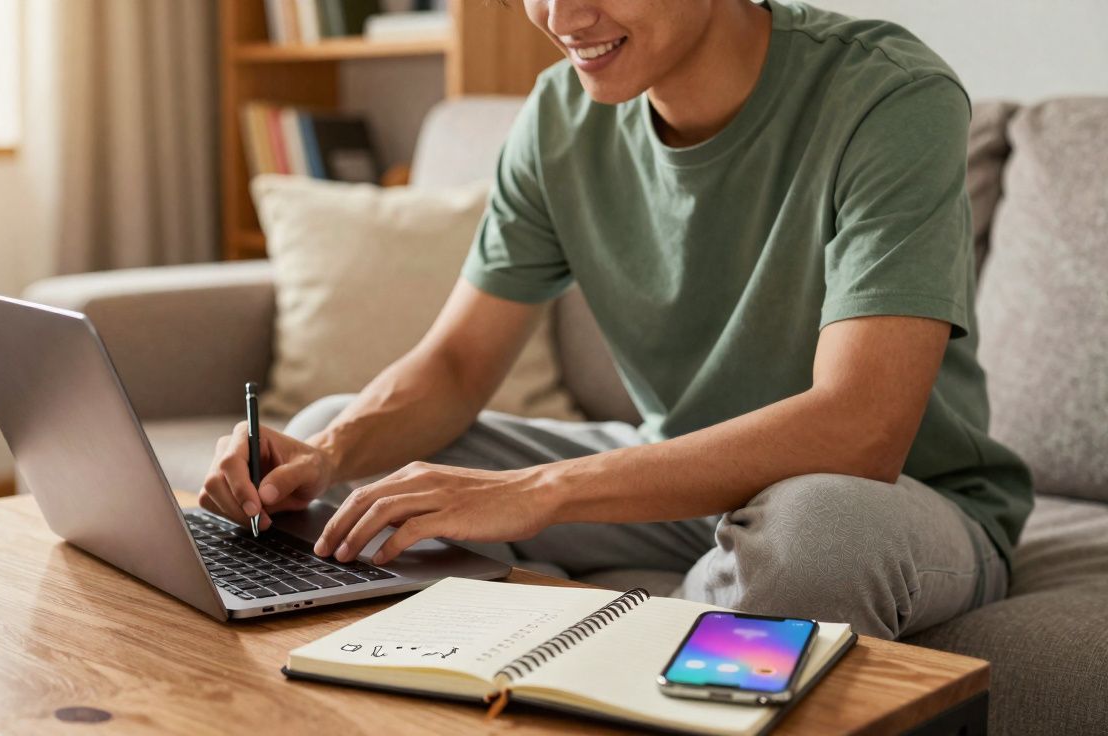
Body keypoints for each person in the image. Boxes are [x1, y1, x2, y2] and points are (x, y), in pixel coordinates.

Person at [200, 0, 1033, 639]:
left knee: (813, 539)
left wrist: (541, 493)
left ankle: (619, 641)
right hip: (673, 477)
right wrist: (326, 451)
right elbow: (456, 366)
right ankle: (649, 624)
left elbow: (861, 429)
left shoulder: (888, 95)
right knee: (344, 464)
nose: (560, 16)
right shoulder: (558, 118)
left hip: (889, 498)